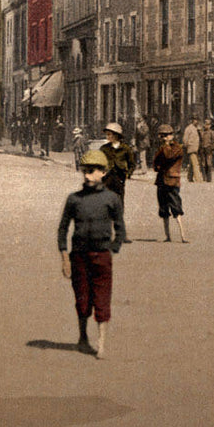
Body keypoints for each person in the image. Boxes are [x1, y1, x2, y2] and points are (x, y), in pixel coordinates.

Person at [57, 149, 126, 359]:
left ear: (103, 172)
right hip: (79, 256)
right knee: (82, 298)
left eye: (92, 170)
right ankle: (82, 338)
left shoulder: (111, 199)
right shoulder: (74, 199)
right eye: (85, 171)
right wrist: (65, 257)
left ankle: (101, 343)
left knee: (102, 298)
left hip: (102, 255)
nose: (87, 175)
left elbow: (120, 227)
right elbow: (63, 229)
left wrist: (113, 247)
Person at [152, 124, 189, 243]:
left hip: (172, 181)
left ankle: (183, 236)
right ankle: (168, 236)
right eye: (162, 136)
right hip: (161, 180)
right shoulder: (162, 147)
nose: (164, 138)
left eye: (166, 135)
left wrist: (166, 145)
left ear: (172, 135)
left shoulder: (177, 148)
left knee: (176, 208)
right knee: (163, 209)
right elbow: (155, 163)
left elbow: (169, 156)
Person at [100, 123, 133, 234]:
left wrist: (128, 174)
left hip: (119, 179)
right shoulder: (104, 149)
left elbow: (132, 163)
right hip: (107, 179)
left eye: (109, 134)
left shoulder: (125, 148)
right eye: (107, 134)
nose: (107, 137)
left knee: (119, 205)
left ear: (116, 135)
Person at [181, 118, 201, 184]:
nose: (196, 121)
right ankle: (198, 179)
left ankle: (189, 177)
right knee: (195, 163)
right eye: (195, 120)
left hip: (196, 148)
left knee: (192, 164)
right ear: (192, 121)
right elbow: (185, 138)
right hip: (191, 148)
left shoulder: (196, 129)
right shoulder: (189, 128)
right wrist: (187, 145)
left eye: (197, 120)